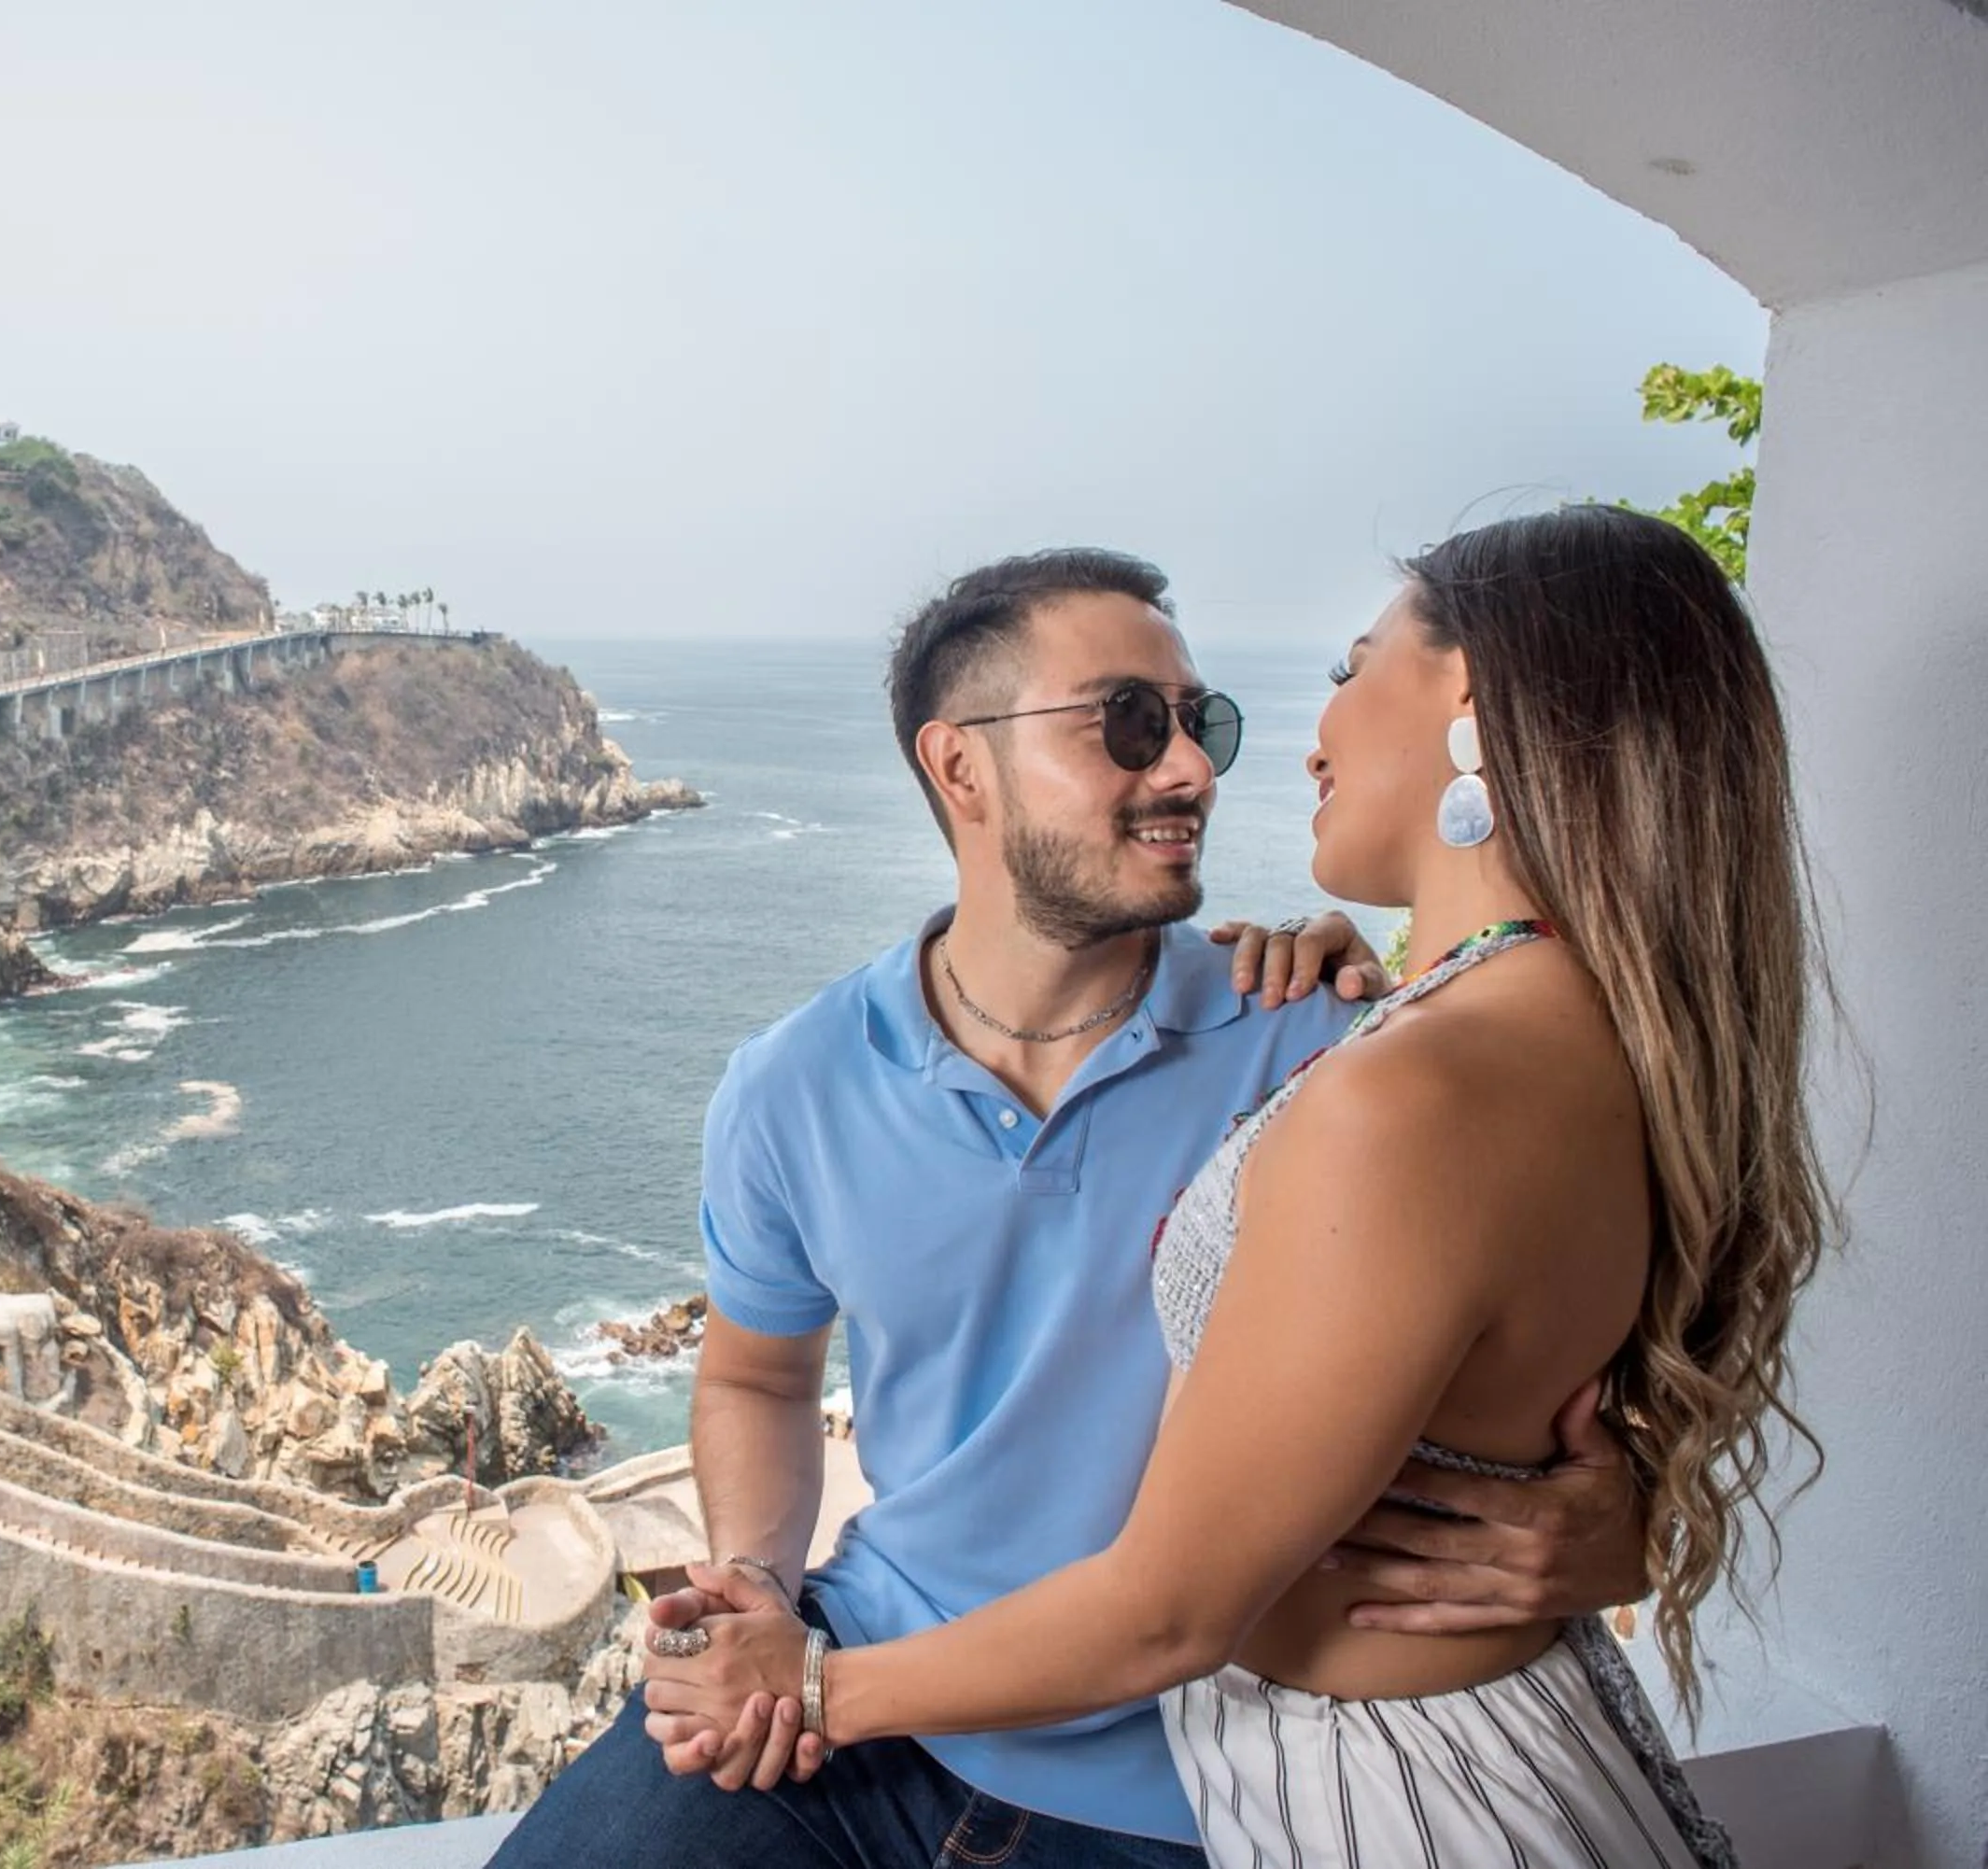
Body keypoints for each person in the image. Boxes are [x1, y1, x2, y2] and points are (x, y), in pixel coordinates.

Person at [639, 509, 1829, 1866]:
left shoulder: (1330, 1044)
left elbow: (1186, 1598)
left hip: (1210, 1774)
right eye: (1130, 721)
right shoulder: (794, 1080)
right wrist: (759, 1587)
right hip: (897, 1689)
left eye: (1205, 716)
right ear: (959, 767)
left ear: (1474, 711)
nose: (1198, 763)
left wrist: (1625, 1525)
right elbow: (758, 1376)